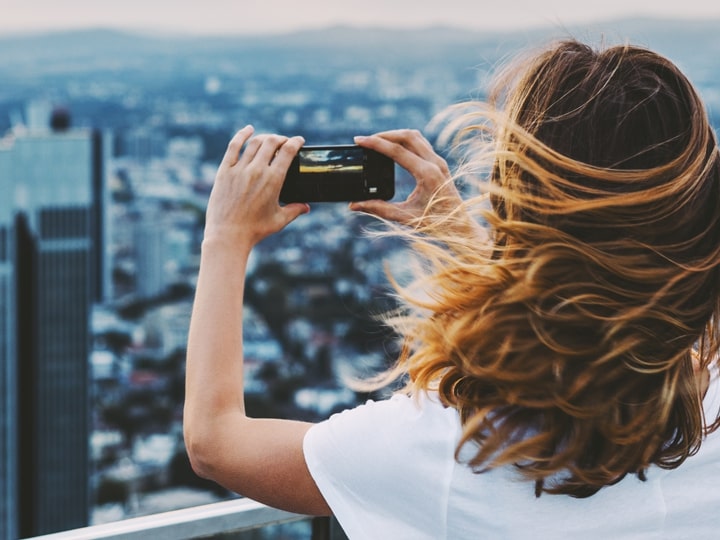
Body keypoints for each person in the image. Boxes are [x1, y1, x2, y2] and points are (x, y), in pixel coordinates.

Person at [183, 39, 720, 538]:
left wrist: (225, 238)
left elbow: (216, 441)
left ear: (511, 206)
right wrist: (456, 235)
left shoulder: (442, 450)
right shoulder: (708, 410)